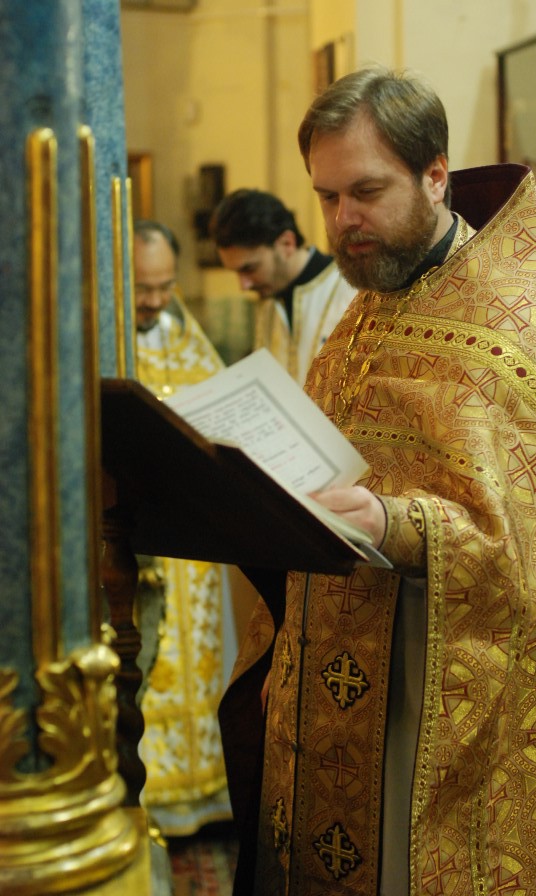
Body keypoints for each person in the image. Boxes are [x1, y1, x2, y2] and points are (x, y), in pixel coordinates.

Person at [218, 68, 536, 895]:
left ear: (435, 174)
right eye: (326, 197)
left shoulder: (506, 323)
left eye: (365, 192)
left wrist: (392, 523)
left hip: (430, 685)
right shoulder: (376, 298)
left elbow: (519, 548)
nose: (342, 222)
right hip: (329, 661)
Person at [133, 219, 237, 836]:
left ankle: (204, 790)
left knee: (203, 655)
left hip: (193, 538)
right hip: (138, 535)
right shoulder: (103, 339)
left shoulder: (185, 336)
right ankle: (152, 795)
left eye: (164, 285)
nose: (154, 300)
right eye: (142, 287)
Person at [210, 188, 356, 384]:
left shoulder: (352, 289)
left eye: (250, 268)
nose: (244, 286)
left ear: (287, 243)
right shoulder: (269, 302)